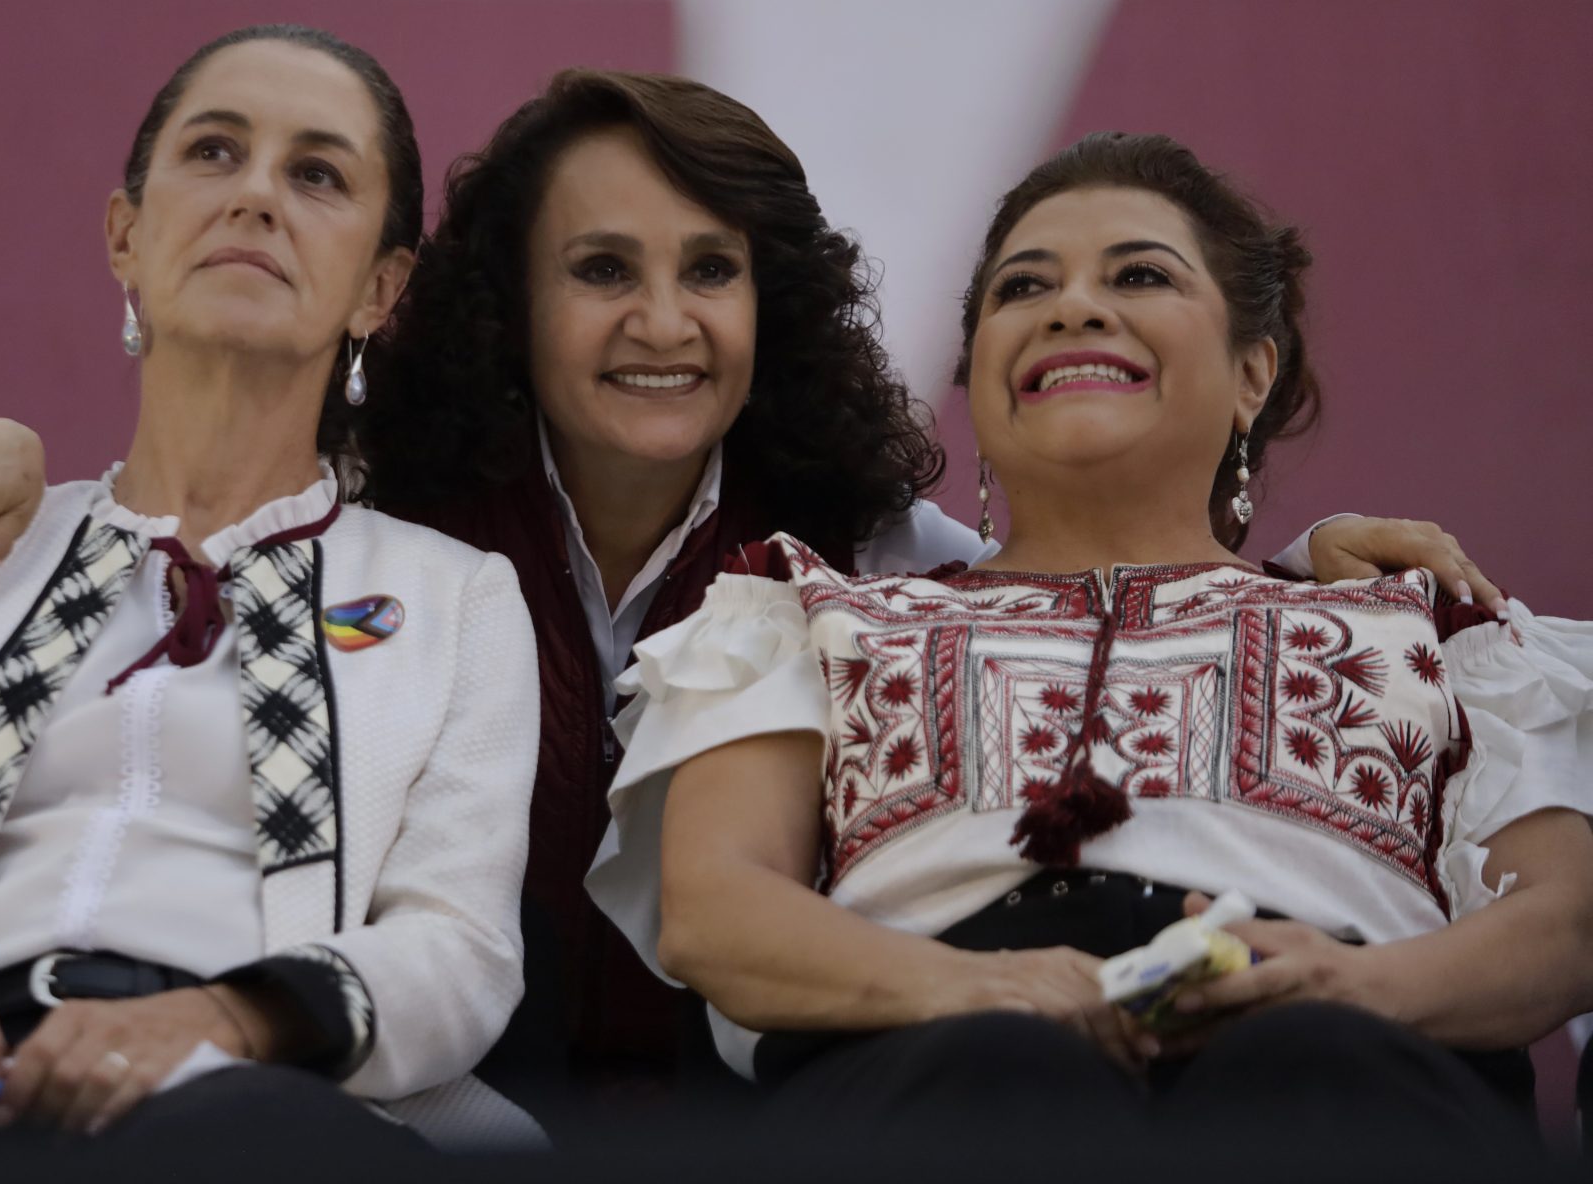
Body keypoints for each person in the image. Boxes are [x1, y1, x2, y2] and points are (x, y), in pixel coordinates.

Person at [0, 76, 1504, 1120]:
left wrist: (1315, 561)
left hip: (765, 1118)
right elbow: (168, 512)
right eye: (602, 270)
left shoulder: (867, 558)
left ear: (772, 304)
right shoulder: (382, 527)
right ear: (499, 307)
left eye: (712, 272)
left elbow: (1107, 614)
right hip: (426, 1101)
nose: (664, 320)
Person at [586, 132, 1593, 1147]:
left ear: (1253, 371)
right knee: (1004, 1075)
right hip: (930, 1068)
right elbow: (717, 909)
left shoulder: (1432, 627)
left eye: (1141, 274)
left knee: (1309, 1068)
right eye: (1024, 288)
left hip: (1352, 1062)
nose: (1072, 306)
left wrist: (1356, 984)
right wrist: (975, 985)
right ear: (977, 373)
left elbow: (1566, 922)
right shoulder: (804, 617)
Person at [0, 24, 539, 1176]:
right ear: (124, 237)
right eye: (214, 151)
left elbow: (458, 948)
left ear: (380, 288)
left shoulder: (454, 597)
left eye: (317, 173)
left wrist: (218, 1023)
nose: (256, 194)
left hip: (258, 1095)